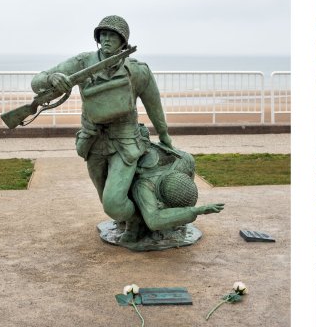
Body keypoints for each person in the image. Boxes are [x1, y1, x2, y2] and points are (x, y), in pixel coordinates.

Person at [30, 15, 172, 241]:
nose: (106, 39)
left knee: (113, 203)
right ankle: (130, 219)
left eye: (112, 36)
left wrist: (164, 135)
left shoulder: (137, 71)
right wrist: (53, 79)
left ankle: (137, 221)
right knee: (105, 197)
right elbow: (38, 80)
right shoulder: (82, 62)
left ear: (123, 42)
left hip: (125, 143)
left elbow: (153, 105)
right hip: (92, 142)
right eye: (103, 35)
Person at [125, 136, 224, 240]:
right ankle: (133, 224)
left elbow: (189, 180)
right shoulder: (144, 186)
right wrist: (195, 211)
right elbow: (153, 221)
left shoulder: (185, 161)